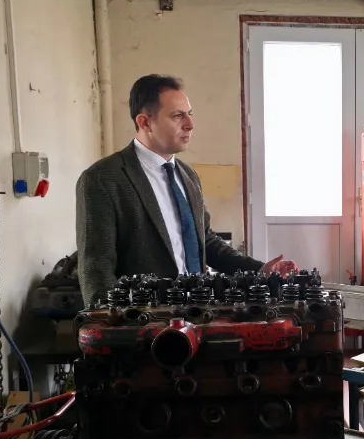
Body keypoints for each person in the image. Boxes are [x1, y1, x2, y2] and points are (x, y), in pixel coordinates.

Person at [76, 74, 297, 307]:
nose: (190, 124)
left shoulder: (188, 175)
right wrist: (107, 321)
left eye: (189, 114)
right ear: (145, 123)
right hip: (145, 320)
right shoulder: (102, 179)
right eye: (177, 116)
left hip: (197, 313)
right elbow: (96, 268)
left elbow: (206, 241)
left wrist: (260, 270)